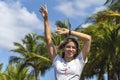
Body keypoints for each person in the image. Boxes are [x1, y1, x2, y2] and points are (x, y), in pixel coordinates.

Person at [40, 6, 91, 80]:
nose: (70, 49)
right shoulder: (57, 61)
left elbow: (88, 39)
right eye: (68, 47)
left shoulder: (79, 61)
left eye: (73, 47)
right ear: (63, 49)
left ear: (76, 50)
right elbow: (48, 40)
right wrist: (46, 19)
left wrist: (68, 32)